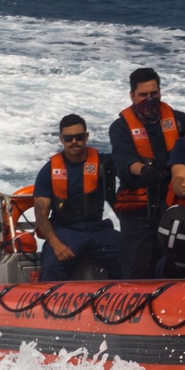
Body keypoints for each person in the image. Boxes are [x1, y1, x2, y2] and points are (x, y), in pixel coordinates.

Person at [109, 67, 185, 279]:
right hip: (140, 206)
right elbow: (123, 161)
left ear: (160, 92)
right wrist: (143, 170)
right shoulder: (120, 127)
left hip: (175, 201)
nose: (149, 99)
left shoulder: (179, 120)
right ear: (132, 96)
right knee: (138, 264)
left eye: (153, 94)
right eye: (143, 95)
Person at [33, 114, 122, 281]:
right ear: (61, 139)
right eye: (68, 138)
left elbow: (128, 168)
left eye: (79, 137)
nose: (74, 141)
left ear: (86, 136)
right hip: (65, 231)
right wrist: (56, 244)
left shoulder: (104, 163)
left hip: (97, 230)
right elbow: (41, 215)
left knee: (129, 255)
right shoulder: (48, 171)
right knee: (52, 264)